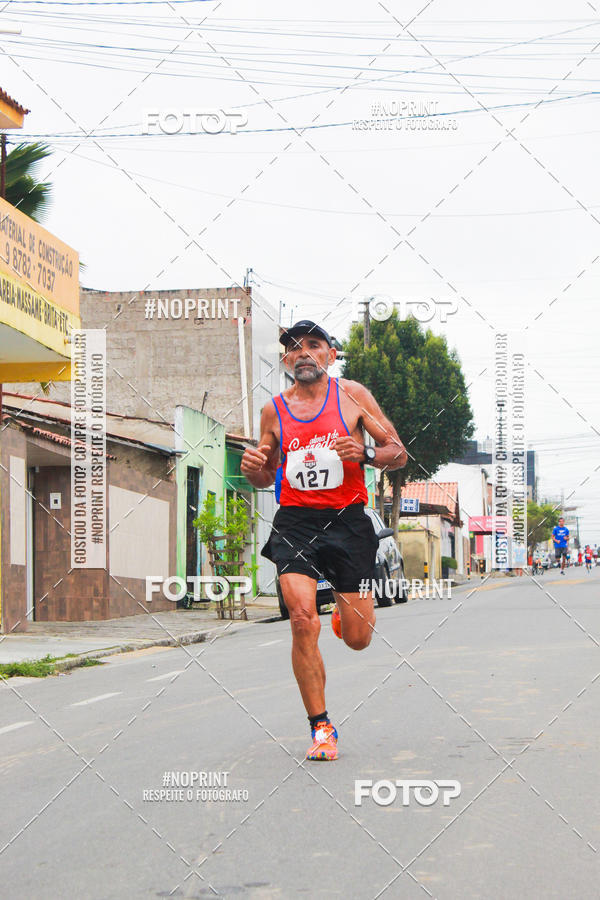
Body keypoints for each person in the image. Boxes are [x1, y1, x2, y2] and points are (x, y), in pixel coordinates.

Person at [240, 320, 407, 761]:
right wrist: (253, 466)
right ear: (285, 361)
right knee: (300, 618)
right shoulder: (274, 410)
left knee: (357, 638)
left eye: (314, 345)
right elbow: (262, 474)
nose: (304, 353)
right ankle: (321, 728)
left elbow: (398, 451)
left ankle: (344, 616)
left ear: (330, 355)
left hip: (349, 522)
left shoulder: (353, 396)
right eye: (294, 348)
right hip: (295, 521)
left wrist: (366, 453)